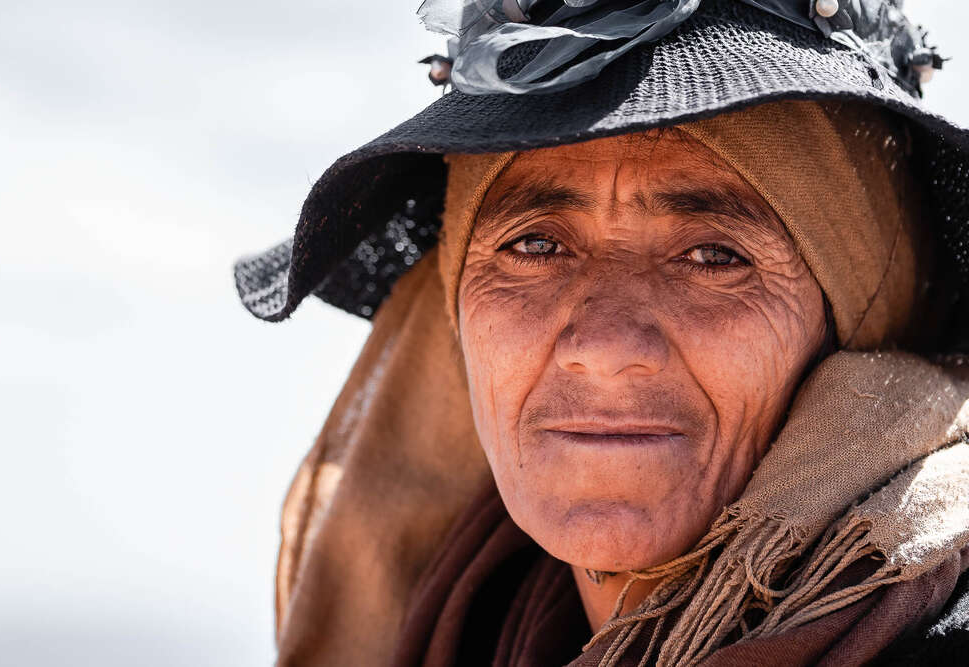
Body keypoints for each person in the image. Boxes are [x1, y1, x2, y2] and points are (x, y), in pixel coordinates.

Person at [235, 1, 969, 664]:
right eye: (534, 246)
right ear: (457, 306)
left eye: (714, 256)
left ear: (866, 313)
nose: (606, 347)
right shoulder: (473, 625)